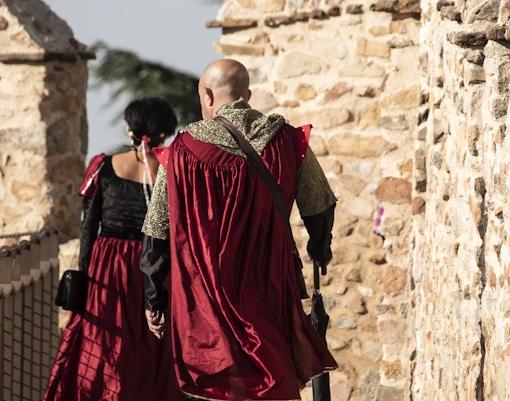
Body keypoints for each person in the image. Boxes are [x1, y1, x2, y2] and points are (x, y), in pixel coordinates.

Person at [140, 59, 338, 400]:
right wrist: (320, 250)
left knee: (223, 381)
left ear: (207, 94)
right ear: (247, 95)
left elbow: (158, 229)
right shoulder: (288, 141)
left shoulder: (183, 150)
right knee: (272, 377)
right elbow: (320, 205)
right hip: (270, 282)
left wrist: (153, 298)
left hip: (207, 291)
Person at [43, 97, 184, 401]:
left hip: (108, 265)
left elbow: (88, 226)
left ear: (129, 129)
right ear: (166, 132)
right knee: (152, 341)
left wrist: (84, 274)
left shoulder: (104, 166)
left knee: (105, 340)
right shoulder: (173, 171)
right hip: (156, 265)